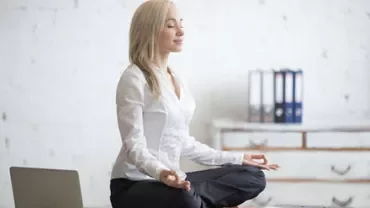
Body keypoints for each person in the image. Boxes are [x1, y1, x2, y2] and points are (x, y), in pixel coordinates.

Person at [109, 0, 280, 207]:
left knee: (253, 176)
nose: (181, 31)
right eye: (171, 25)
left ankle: (196, 202)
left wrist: (237, 158)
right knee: (183, 198)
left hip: (173, 181)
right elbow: (134, 146)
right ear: (150, 30)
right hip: (133, 184)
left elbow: (184, 143)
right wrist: (161, 173)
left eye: (181, 23)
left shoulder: (176, 79)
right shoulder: (134, 78)